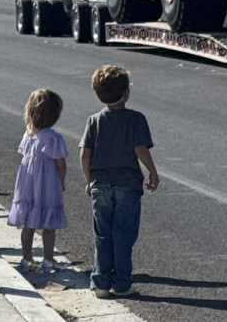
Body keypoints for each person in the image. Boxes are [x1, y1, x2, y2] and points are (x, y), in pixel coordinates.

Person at [80, 65, 159, 299]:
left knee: (102, 234)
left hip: (101, 183)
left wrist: (88, 180)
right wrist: (152, 172)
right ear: (125, 93)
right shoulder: (135, 119)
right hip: (127, 184)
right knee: (123, 234)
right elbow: (140, 149)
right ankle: (122, 283)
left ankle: (101, 282)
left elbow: (85, 153)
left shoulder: (94, 121)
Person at [7, 89, 68, 274]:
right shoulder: (53, 138)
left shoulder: (28, 134)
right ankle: (48, 261)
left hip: (27, 183)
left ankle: (27, 259)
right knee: (49, 225)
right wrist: (61, 181)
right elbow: (60, 163)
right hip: (47, 184)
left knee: (29, 223)